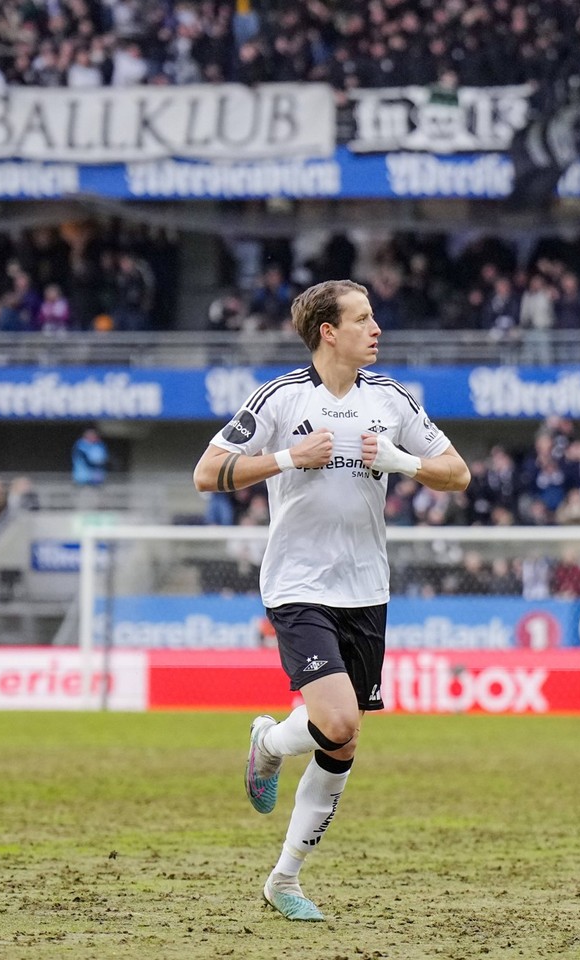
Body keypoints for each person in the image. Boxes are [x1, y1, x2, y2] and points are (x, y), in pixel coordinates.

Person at [192, 280, 469, 920]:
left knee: (340, 745)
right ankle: (270, 743)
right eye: (363, 318)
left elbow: (458, 474)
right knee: (338, 721)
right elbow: (207, 474)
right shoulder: (280, 399)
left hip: (366, 589)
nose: (377, 328)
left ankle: (284, 878)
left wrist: (401, 463)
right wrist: (288, 457)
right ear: (328, 332)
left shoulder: (393, 401)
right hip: (297, 584)